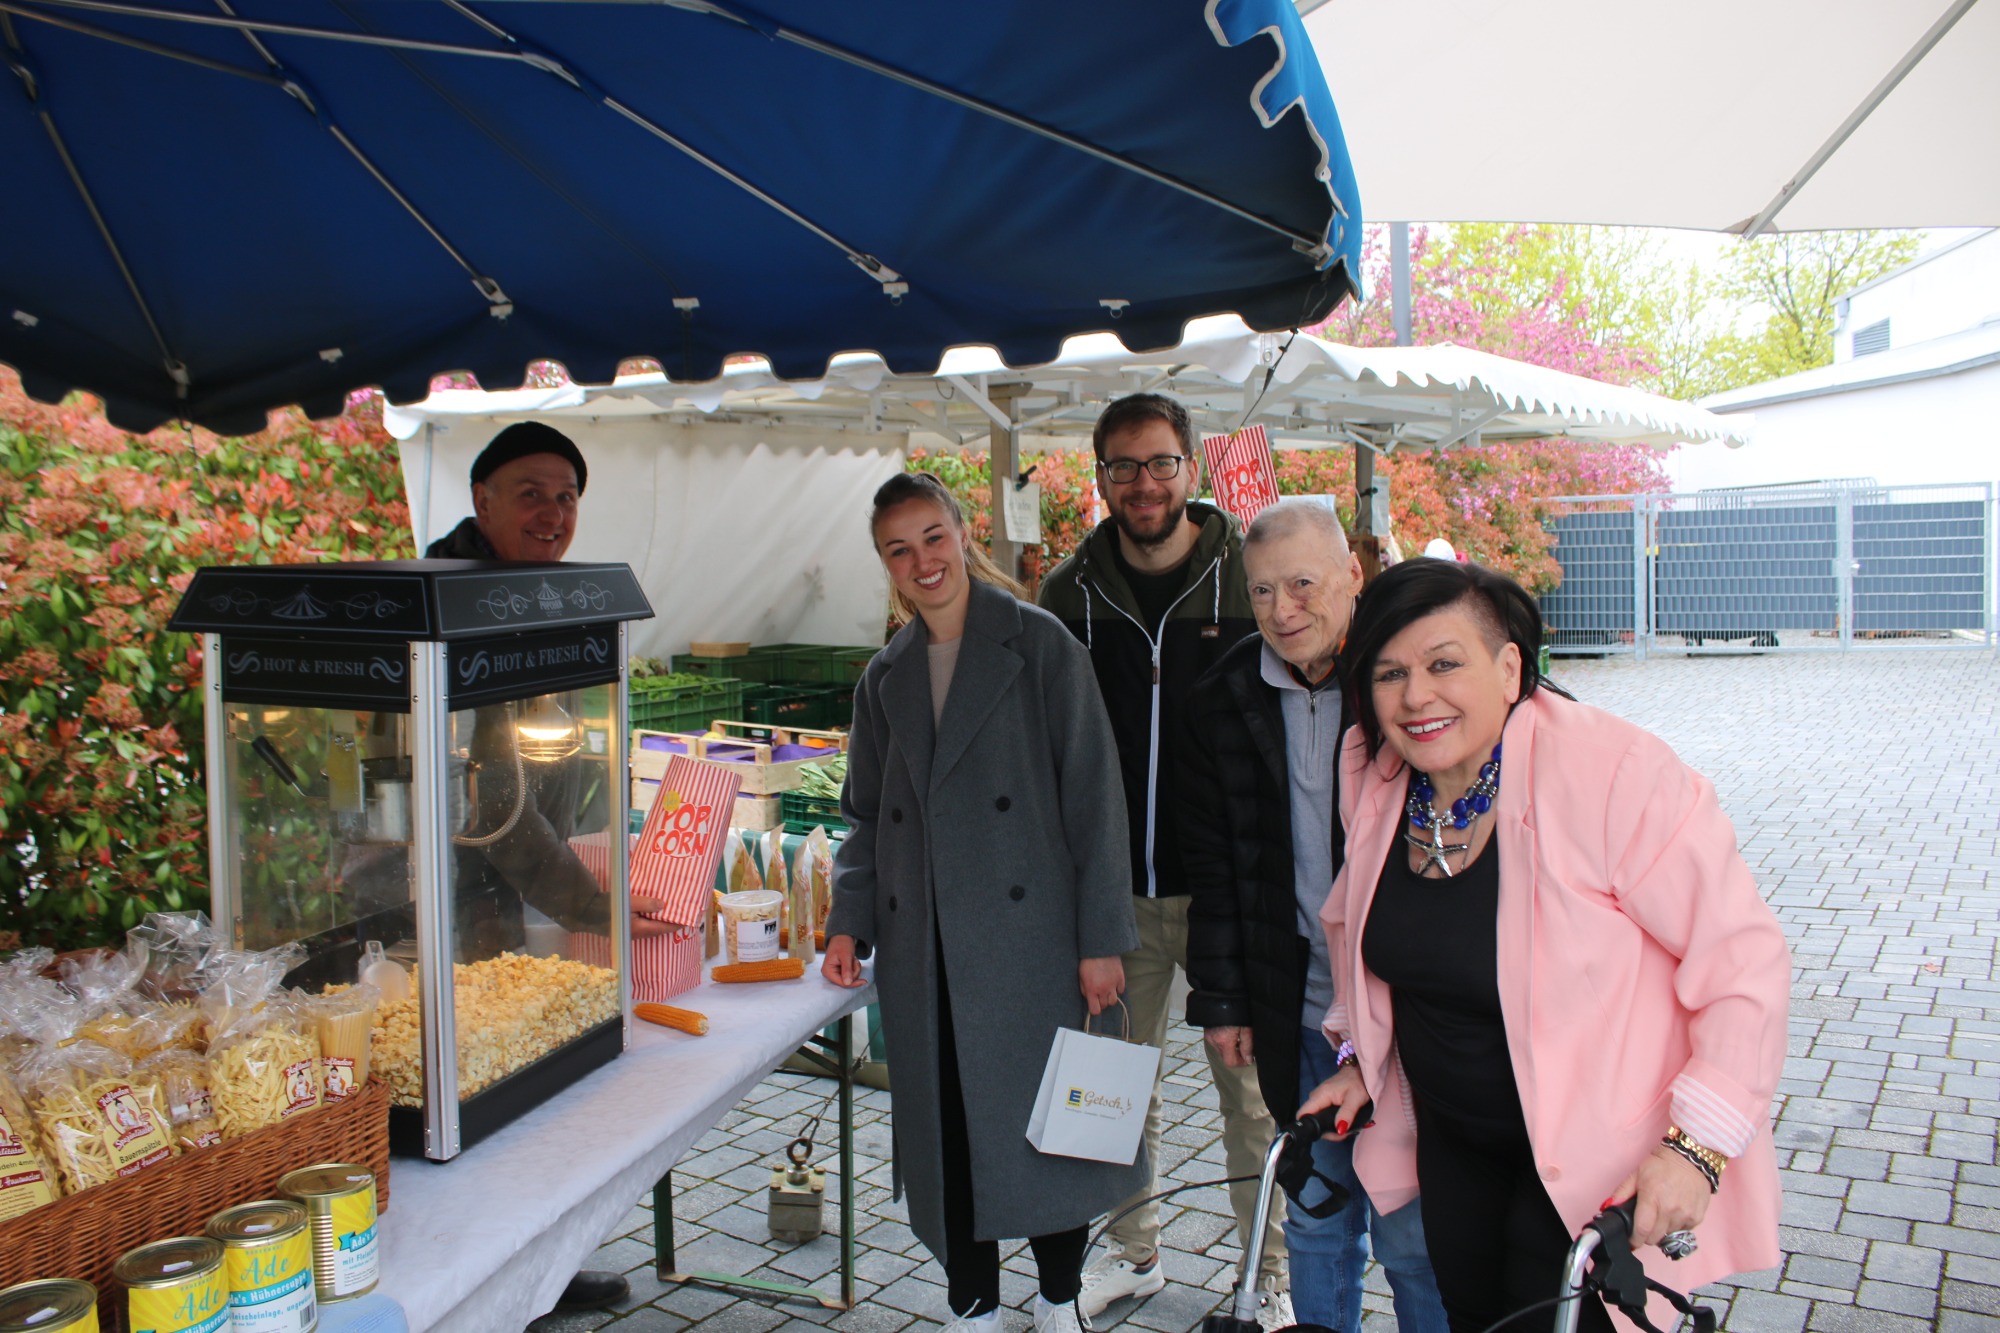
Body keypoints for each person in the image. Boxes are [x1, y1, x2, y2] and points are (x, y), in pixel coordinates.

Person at [1302, 559, 1789, 1333]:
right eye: (1389, 673)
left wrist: (1696, 1148)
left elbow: (1744, 962)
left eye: (1443, 663)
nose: (1415, 696)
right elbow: (1366, 930)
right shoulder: (1381, 772)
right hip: (1455, 1144)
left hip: (1596, 1156)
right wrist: (1364, 1061)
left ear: (1508, 668)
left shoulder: (1613, 771)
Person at [822, 473, 1140, 1333]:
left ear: (963, 535)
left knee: (1050, 1132)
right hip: (925, 950)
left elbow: (1095, 797)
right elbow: (863, 817)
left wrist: (1102, 936)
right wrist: (848, 918)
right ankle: (971, 1306)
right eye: (900, 548)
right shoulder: (883, 676)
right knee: (950, 1133)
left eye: (933, 536)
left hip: (1032, 940)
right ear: (886, 565)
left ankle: (1059, 1298)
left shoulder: (1039, 646)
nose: (922, 560)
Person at [1038, 393, 1290, 1324]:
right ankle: (1130, 1252)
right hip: (1113, 893)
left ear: (1193, 468)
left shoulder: (1247, 581)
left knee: (1256, 1098)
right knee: (1110, 1089)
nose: (1143, 484)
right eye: (1122, 466)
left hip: (1228, 889)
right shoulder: (1069, 595)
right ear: (1098, 475)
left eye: (1160, 463)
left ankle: (1266, 1272)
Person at [1179, 500, 1448, 1333]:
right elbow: (1215, 867)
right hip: (1295, 1002)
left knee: (1410, 1233)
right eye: (1260, 592)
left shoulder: (1404, 687)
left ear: (1351, 578)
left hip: (1404, 1014)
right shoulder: (1220, 696)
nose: (1282, 609)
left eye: (1302, 583)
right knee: (1317, 1214)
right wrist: (1222, 1000)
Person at [423, 421, 664, 1316]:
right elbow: (496, 814)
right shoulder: (450, 605)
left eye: (567, 496)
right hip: (461, 901)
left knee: (535, 1102)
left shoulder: (539, 594)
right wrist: (593, 906)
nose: (554, 512)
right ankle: (485, 1294)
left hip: (523, 894)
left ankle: (543, 1272)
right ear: (481, 499)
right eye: (532, 491)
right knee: (479, 1103)